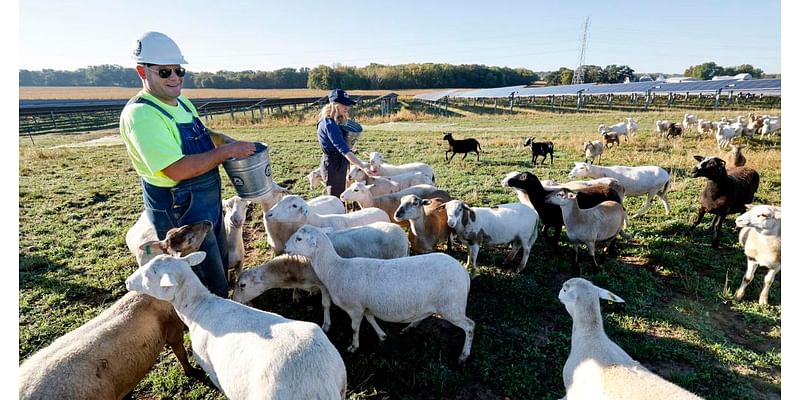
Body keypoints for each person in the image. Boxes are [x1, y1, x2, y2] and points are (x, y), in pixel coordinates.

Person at [119, 32, 256, 298]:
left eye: (179, 70)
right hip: (179, 206)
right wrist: (227, 151)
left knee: (216, 260)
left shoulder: (180, 102)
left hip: (204, 199)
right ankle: (209, 319)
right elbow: (177, 169)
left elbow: (203, 135)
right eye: (165, 71)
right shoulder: (142, 114)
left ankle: (220, 300)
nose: (175, 77)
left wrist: (226, 141)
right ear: (142, 71)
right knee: (200, 275)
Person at [317, 89, 373, 197]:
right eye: (343, 104)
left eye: (348, 104)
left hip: (339, 162)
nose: (347, 107)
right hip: (334, 165)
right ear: (334, 104)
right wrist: (363, 167)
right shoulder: (329, 124)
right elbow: (344, 149)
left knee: (340, 194)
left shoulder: (335, 121)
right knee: (335, 199)